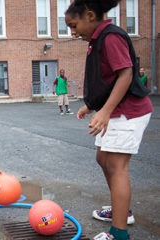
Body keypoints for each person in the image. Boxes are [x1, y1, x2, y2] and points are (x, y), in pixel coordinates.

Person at [65, 1, 153, 240]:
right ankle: (121, 211)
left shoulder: (110, 37)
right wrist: (91, 106)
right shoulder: (98, 38)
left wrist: (104, 112)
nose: (73, 33)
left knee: (117, 167)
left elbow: (125, 74)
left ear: (90, 15)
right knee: (103, 158)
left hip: (128, 111)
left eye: (74, 26)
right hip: (115, 110)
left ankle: (119, 232)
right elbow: (107, 80)